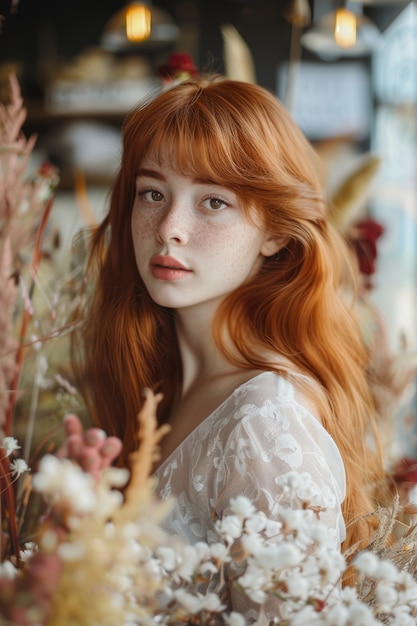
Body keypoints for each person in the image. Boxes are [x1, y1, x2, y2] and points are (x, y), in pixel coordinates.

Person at [70, 74, 385, 614]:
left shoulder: (264, 425)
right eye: (153, 193)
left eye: (213, 202)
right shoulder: (157, 386)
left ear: (276, 232)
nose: (169, 227)